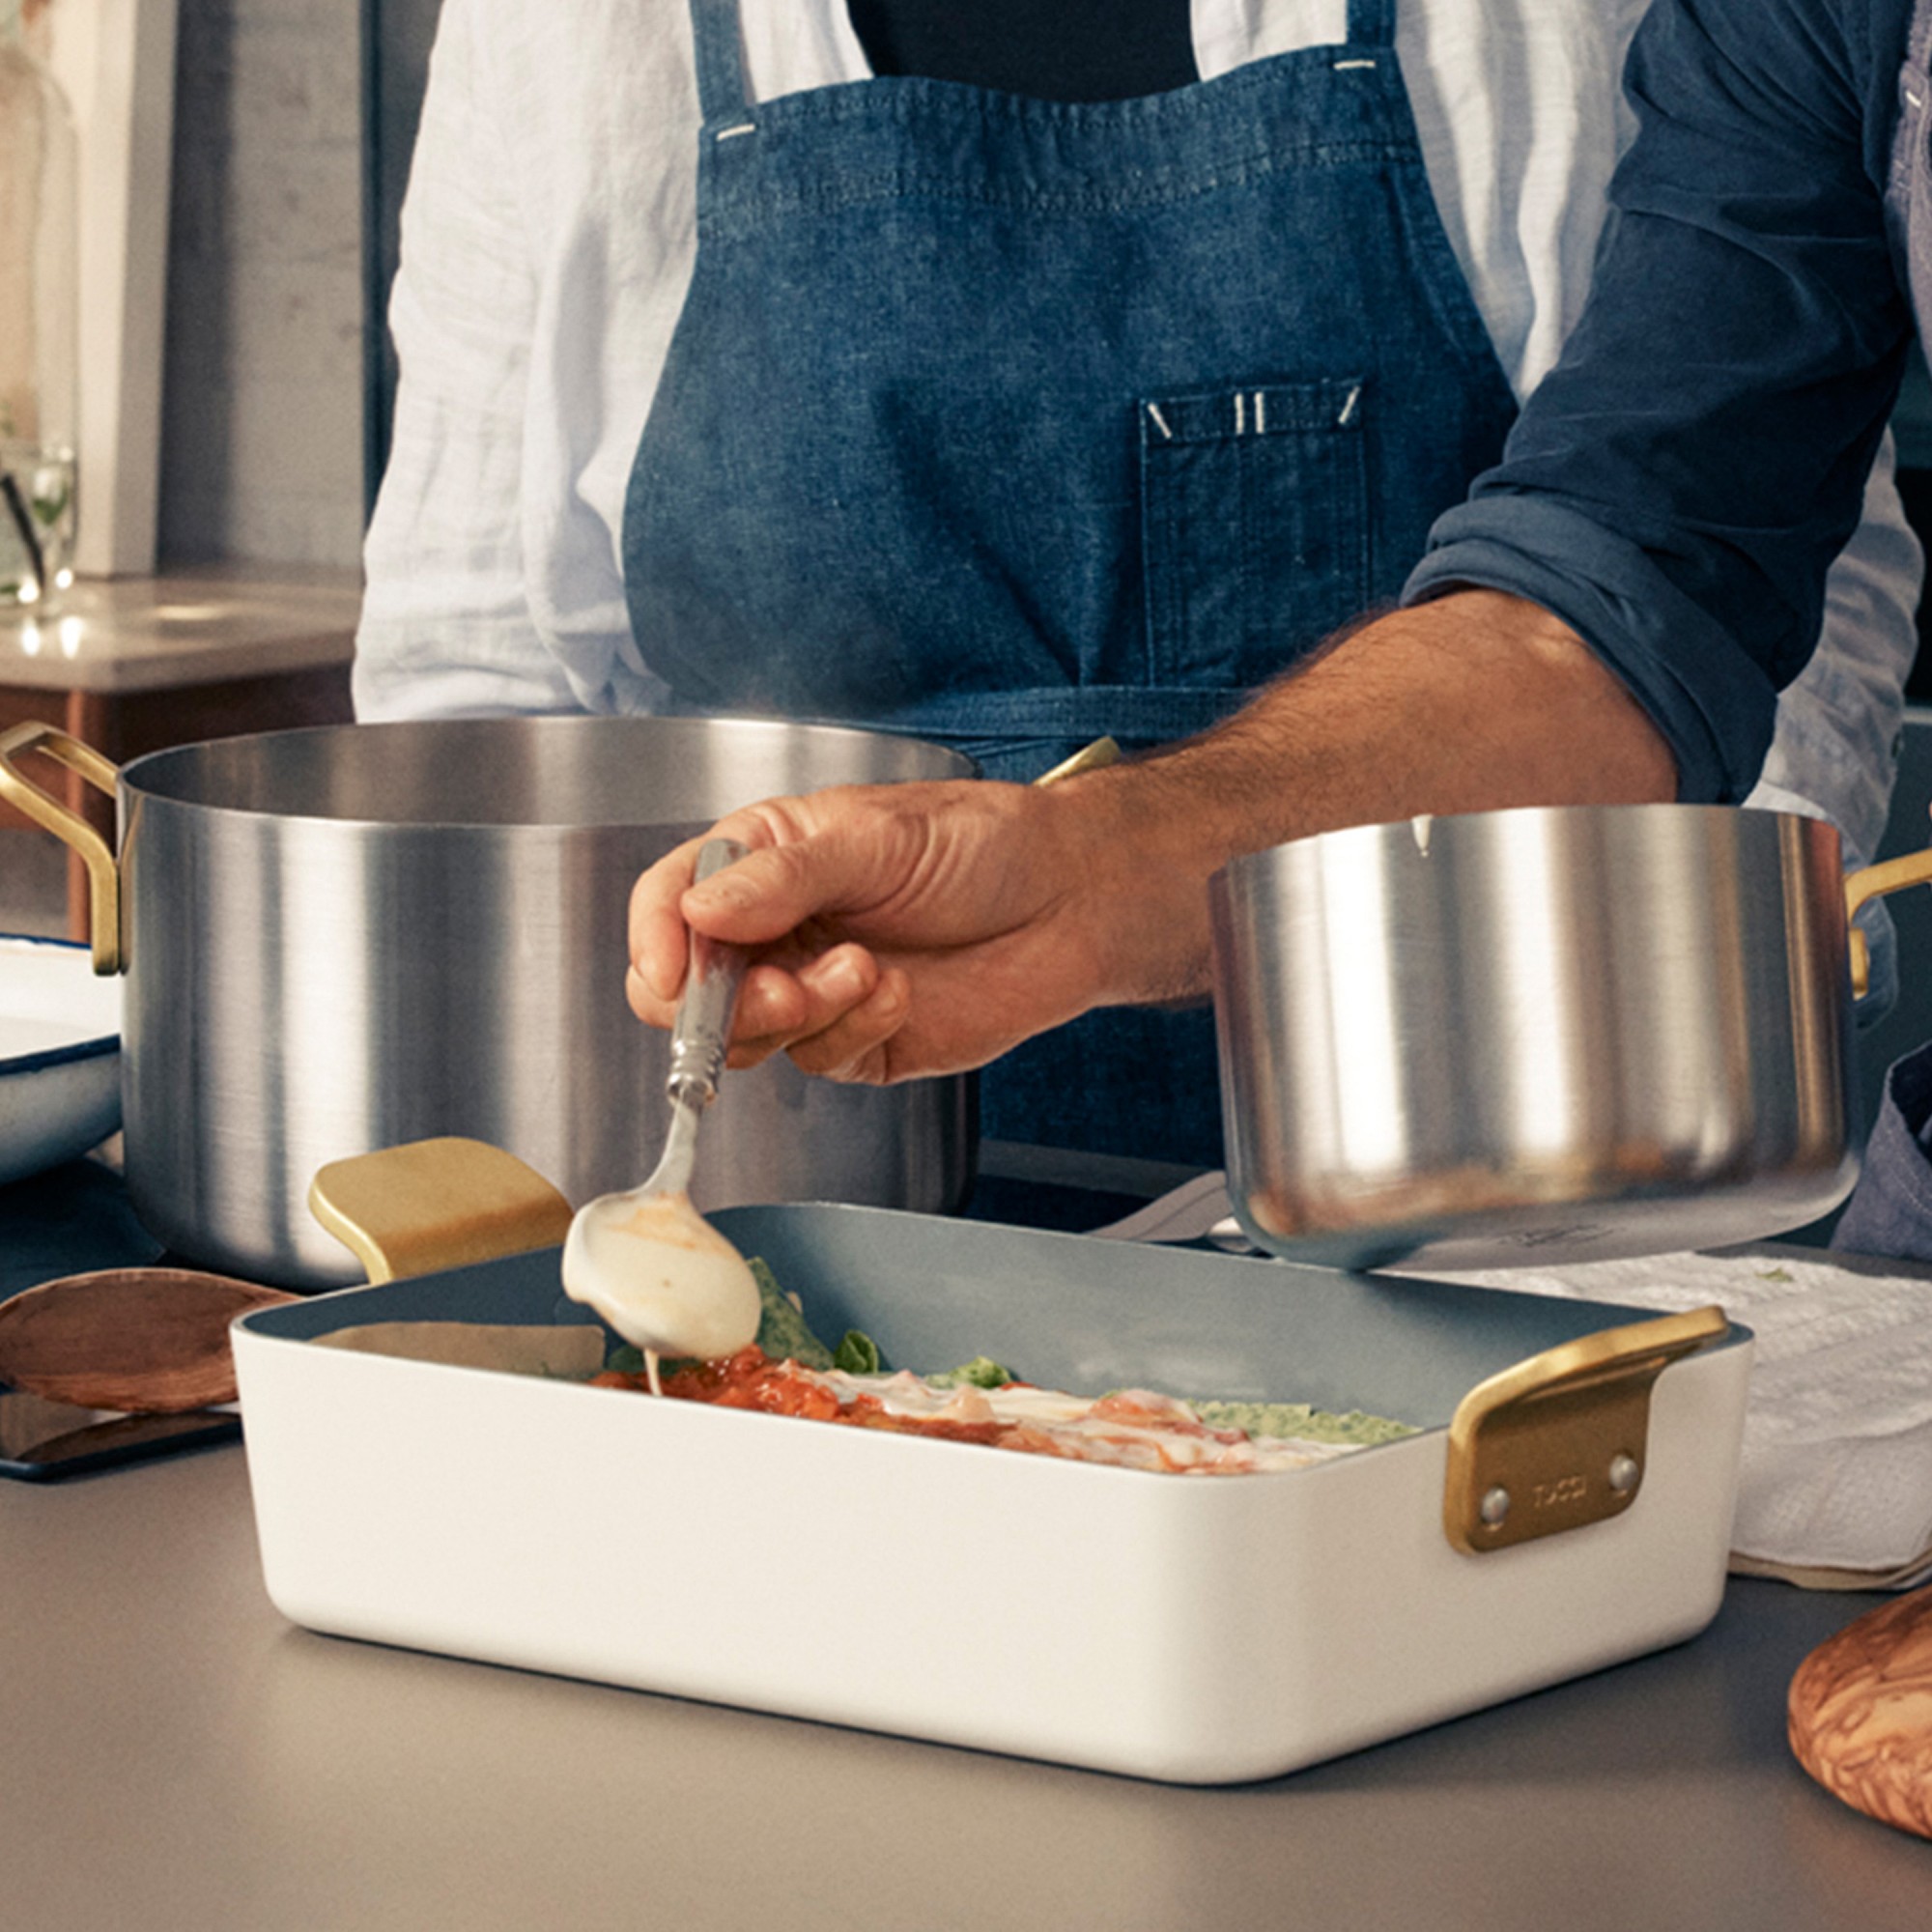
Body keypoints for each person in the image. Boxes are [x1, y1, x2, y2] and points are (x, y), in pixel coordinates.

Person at [358, 0, 1919, 1164]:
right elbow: (474, 695)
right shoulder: (568, 39)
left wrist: (1680, 1098)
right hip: (789, 1193)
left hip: (1496, 1178)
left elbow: (1691, 590)